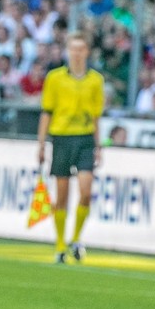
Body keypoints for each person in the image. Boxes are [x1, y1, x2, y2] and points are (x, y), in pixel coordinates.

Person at [37, 31, 105, 264]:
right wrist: (41, 144)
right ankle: (59, 244)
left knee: (86, 192)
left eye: (80, 49)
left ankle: (76, 238)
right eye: (73, 48)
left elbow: (96, 116)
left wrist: (99, 145)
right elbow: (47, 112)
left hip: (85, 138)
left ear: (86, 52)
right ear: (68, 51)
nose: (76, 53)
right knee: (62, 195)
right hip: (62, 138)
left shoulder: (95, 80)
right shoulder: (55, 78)